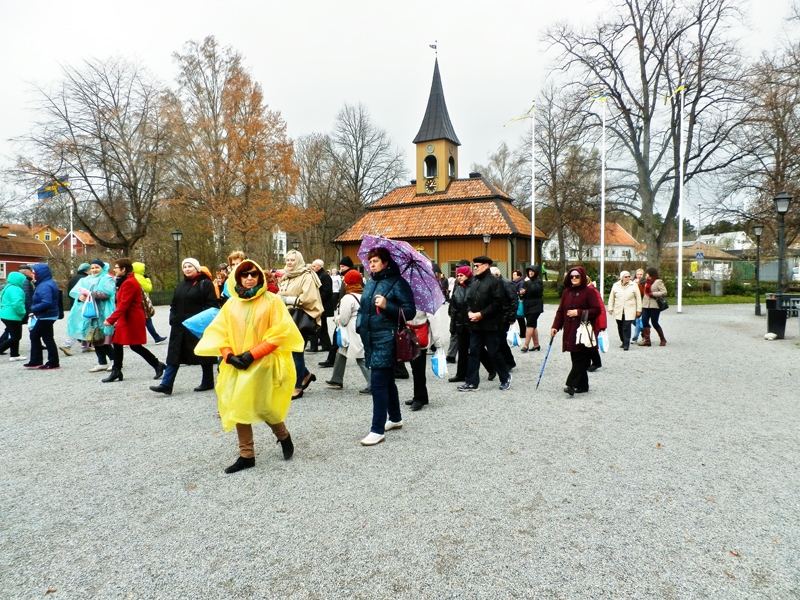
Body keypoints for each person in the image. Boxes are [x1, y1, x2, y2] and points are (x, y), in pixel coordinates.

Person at [195, 260, 304, 473]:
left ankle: (284, 437)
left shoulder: (272, 301)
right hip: (236, 364)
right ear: (238, 278)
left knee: (265, 407)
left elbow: (280, 332)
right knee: (238, 407)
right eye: (244, 275)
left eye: (253, 274)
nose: (249, 278)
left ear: (260, 277)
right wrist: (228, 355)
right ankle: (247, 455)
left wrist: (253, 354)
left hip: (263, 363)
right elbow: (221, 331)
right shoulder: (232, 304)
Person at [356, 247, 416, 446]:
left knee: (378, 382)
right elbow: (363, 309)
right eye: (370, 261)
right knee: (388, 381)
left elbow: (409, 311)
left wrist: (387, 305)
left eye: (375, 261)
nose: (371, 264)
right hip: (370, 338)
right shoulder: (371, 283)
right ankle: (396, 418)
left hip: (388, 338)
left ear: (386, 262)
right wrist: (359, 327)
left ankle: (377, 429)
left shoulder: (398, 283)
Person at [150, 258, 219, 395]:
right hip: (179, 325)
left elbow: (212, 306)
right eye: (185, 267)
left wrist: (200, 321)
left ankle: (207, 381)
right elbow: (174, 304)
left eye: (190, 266)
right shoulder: (181, 284)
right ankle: (166, 384)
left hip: (196, 325)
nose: (187, 269)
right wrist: (173, 318)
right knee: (174, 354)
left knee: (202, 352)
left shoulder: (205, 284)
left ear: (197, 268)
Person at [101, 258, 166, 382]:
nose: (114, 270)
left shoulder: (129, 282)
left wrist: (110, 319)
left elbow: (124, 304)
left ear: (123, 269)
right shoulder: (125, 281)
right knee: (118, 343)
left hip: (132, 319)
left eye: (116, 267)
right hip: (126, 318)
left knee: (135, 346)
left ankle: (157, 364)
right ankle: (117, 371)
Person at [459, 256, 511, 392]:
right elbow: (469, 300)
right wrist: (470, 312)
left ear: (486, 265)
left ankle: (505, 377)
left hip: (491, 324)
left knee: (494, 352)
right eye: (474, 266)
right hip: (476, 324)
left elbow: (498, 303)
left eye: (477, 265)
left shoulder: (495, 282)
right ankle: (471, 382)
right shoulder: (475, 282)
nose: (475, 268)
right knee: (473, 352)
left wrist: (481, 314)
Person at [277, 249, 323, 399]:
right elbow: (280, 294)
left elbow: (309, 298)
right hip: (286, 318)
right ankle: (306, 375)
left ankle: (297, 387)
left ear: (299, 261)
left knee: (296, 352)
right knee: (286, 352)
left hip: (300, 318)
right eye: (288, 260)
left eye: (292, 260)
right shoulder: (286, 277)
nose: (289, 262)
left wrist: (287, 300)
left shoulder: (307, 275)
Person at [550, 266, 602, 395]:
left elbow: (597, 310)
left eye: (577, 276)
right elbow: (561, 311)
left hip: (583, 331)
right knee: (576, 358)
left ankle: (571, 384)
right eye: (572, 276)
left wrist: (578, 312)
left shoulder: (589, 292)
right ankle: (583, 386)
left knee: (580, 359)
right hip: (570, 331)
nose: (574, 278)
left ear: (582, 277)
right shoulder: (566, 292)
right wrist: (555, 326)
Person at [325, 268, 371, 394]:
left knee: (360, 357)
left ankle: (372, 384)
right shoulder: (364, 295)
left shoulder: (347, 298)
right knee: (341, 352)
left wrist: (336, 319)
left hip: (351, 330)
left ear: (347, 282)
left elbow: (344, 319)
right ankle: (336, 379)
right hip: (360, 328)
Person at [73, 260, 117, 372]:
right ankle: (101, 362)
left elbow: (107, 294)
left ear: (102, 268)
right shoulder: (86, 280)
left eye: (97, 267)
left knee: (103, 337)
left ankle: (114, 360)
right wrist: (80, 297)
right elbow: (78, 293)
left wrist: (90, 294)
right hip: (91, 312)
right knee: (94, 337)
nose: (94, 270)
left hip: (103, 311)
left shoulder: (107, 279)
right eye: (92, 268)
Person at [319, 256, 355, 368]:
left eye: (344, 266)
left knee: (340, 337)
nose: (342, 268)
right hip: (344, 310)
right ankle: (332, 362)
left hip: (349, 311)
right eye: (341, 266)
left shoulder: (351, 276)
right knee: (337, 337)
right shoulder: (344, 277)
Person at [24, 263, 61, 370]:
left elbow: (47, 302)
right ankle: (36, 360)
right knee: (35, 336)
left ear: (40, 273)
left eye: (34, 272)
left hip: (47, 315)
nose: (32, 274)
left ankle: (53, 362)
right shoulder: (44, 283)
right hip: (46, 314)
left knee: (47, 338)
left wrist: (33, 309)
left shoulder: (45, 285)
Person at [490, 266, 518, 371]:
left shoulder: (507, 284)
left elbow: (513, 301)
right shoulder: (496, 283)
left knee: (500, 340)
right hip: (497, 316)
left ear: (497, 275)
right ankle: (504, 361)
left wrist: (511, 316)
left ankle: (509, 361)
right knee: (498, 340)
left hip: (504, 316)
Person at [60, 262, 90, 356]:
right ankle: (67, 345)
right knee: (80, 325)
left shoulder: (73, 278)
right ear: (87, 270)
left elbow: (70, 292)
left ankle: (85, 346)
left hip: (75, 303)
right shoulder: (84, 279)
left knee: (83, 324)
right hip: (83, 304)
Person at [133, 261, 167, 344]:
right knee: (148, 320)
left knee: (140, 321)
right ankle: (156, 338)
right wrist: (147, 279)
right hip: (143, 301)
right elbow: (148, 288)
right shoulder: (140, 277)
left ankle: (154, 337)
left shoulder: (132, 277)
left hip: (136, 301)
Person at [607, 271, 642, 351]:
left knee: (626, 327)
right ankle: (623, 341)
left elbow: (638, 298)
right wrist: (610, 308)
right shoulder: (615, 285)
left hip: (630, 309)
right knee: (620, 326)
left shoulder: (634, 285)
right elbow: (611, 297)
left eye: (629, 276)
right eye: (626, 277)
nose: (628, 278)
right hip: (619, 309)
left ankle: (627, 343)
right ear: (621, 277)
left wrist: (638, 310)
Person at [0, 271, 28, 361]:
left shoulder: (7, 287)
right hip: (13, 316)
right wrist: (23, 312)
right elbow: (17, 303)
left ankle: (14, 354)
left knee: (13, 335)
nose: (23, 282)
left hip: (5, 314)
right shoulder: (16, 289)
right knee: (16, 336)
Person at [639, 267, 668, 347]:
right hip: (645, 305)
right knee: (644, 321)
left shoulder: (658, 281)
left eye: (647, 273)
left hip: (654, 305)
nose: (646, 274)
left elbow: (664, 292)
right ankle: (647, 340)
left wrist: (653, 294)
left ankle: (662, 339)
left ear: (651, 273)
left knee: (654, 322)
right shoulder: (645, 281)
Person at [310, 259, 334, 353]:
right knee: (322, 326)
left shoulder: (324, 276)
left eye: (314, 266)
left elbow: (326, 291)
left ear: (320, 266)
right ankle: (326, 345)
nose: (313, 267)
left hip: (322, 304)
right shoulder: (320, 275)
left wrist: (318, 300)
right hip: (321, 304)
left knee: (318, 325)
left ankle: (314, 346)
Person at [520, 265, 544, 352]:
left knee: (529, 324)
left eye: (532, 271)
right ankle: (536, 344)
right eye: (529, 271)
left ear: (536, 272)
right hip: (527, 305)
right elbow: (523, 290)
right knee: (533, 325)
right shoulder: (527, 281)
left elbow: (535, 290)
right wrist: (522, 292)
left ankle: (525, 345)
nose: (530, 273)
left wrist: (529, 282)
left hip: (536, 305)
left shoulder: (538, 281)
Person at [586, 277, 607, 372]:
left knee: (591, 342)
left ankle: (596, 362)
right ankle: (588, 362)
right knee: (586, 342)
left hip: (594, 322)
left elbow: (601, 309)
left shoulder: (593, 291)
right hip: (586, 321)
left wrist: (602, 324)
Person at [631, 268, 646, 343]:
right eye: (638, 274)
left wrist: (638, 284)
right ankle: (644, 331)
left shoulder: (644, 283)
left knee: (637, 321)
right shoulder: (631, 282)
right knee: (632, 321)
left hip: (642, 304)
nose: (639, 276)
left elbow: (643, 293)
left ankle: (635, 338)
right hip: (633, 304)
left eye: (641, 274)